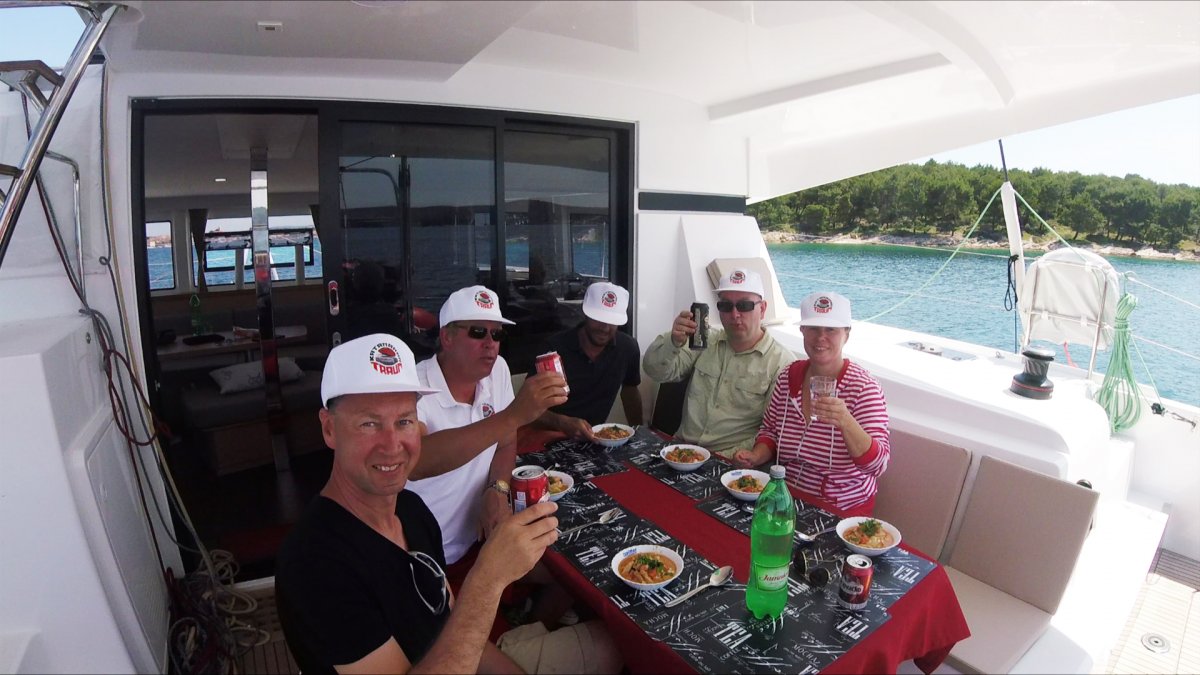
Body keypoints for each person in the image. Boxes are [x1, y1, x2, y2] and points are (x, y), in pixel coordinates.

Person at [275, 333, 560, 674]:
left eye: (405, 421)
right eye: (369, 423)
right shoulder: (315, 564)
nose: (393, 445)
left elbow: (453, 630)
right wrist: (488, 580)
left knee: (607, 643)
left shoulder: (411, 510)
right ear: (329, 429)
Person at [405, 285, 567, 568]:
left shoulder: (498, 370)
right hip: (427, 553)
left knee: (570, 556)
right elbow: (415, 461)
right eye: (478, 332)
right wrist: (514, 415)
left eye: (497, 334)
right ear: (447, 337)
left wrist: (498, 488)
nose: (490, 343)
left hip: (483, 535)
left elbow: (505, 441)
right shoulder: (414, 387)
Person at [733, 291, 890, 516]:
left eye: (831, 330)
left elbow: (878, 466)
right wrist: (756, 456)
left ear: (846, 334)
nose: (820, 337)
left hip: (840, 510)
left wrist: (846, 422)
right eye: (813, 328)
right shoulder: (789, 375)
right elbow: (770, 430)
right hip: (785, 498)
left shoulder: (864, 388)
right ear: (802, 331)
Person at [642, 268, 793, 458]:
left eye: (745, 305)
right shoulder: (704, 342)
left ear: (762, 309)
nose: (735, 314)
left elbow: (773, 431)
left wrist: (722, 457)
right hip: (680, 452)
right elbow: (654, 371)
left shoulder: (782, 363)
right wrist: (673, 341)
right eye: (725, 306)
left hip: (731, 461)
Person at [529, 282, 643, 439]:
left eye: (612, 321)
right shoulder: (553, 348)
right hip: (547, 439)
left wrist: (638, 433)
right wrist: (561, 422)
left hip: (595, 441)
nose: (605, 327)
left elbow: (630, 391)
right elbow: (527, 408)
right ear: (585, 314)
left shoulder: (628, 348)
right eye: (599, 319)